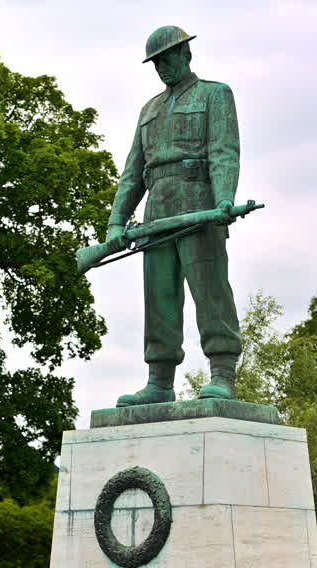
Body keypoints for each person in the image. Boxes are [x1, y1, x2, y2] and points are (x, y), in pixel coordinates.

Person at [107, 25, 243, 407]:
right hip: (157, 211)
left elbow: (223, 150)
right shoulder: (148, 109)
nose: (162, 67)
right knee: (160, 298)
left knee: (210, 291)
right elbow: (133, 172)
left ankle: (222, 372)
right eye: (156, 62)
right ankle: (159, 380)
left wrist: (224, 199)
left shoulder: (215, 94)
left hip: (199, 204)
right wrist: (117, 221)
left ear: (186, 54)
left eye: (168, 58)